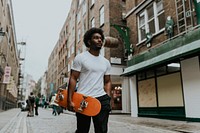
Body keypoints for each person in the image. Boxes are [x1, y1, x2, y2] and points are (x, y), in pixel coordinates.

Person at [67, 27, 112, 133]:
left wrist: (108, 97)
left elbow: (107, 81)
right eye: (96, 38)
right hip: (83, 98)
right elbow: (73, 78)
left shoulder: (105, 62)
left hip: (101, 99)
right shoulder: (81, 58)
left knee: (102, 130)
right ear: (89, 41)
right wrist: (70, 99)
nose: (99, 40)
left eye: (101, 38)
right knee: (82, 130)